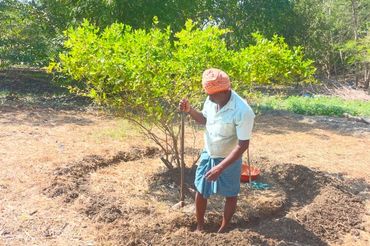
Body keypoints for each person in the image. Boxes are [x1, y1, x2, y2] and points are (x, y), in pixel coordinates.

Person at [179, 68, 255, 233]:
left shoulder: (243, 111)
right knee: (201, 189)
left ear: (226, 90)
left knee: (231, 193)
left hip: (230, 158)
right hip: (209, 152)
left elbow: (243, 145)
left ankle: (223, 229)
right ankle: (200, 227)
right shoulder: (211, 100)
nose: (210, 98)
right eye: (208, 94)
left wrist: (221, 167)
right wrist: (189, 110)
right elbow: (204, 120)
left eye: (213, 95)